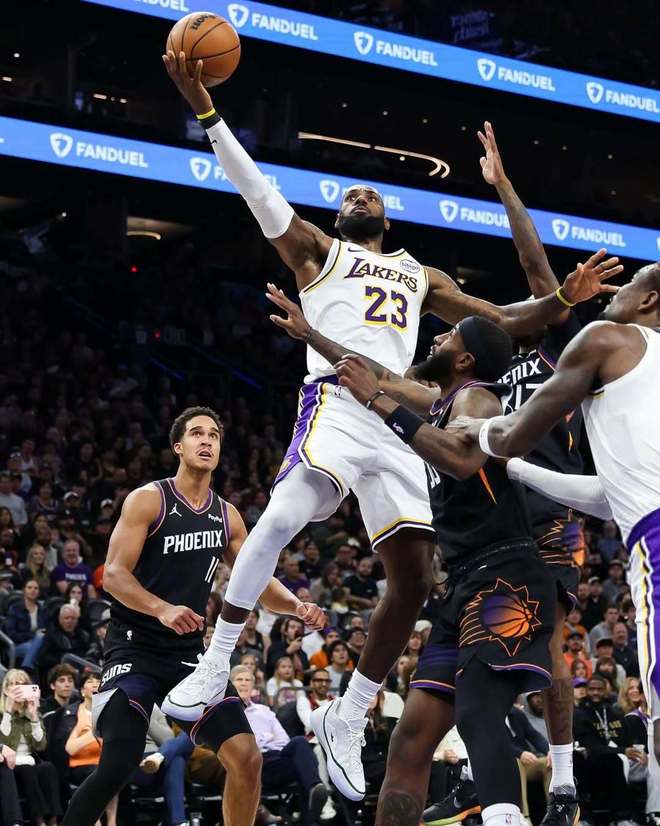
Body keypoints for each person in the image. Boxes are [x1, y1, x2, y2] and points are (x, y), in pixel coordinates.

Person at [162, 54, 620, 796]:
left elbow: (503, 321)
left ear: (387, 217)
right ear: (341, 216)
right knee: (280, 516)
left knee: (415, 578)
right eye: (350, 193)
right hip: (339, 404)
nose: (361, 193)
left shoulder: (420, 275)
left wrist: (561, 298)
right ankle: (217, 662)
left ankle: (349, 715)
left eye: (370, 191)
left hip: (399, 417)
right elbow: (256, 190)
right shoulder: (317, 251)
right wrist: (207, 114)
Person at [309, 315, 557, 826]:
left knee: (477, 710)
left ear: (464, 359)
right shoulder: (441, 402)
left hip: (506, 575)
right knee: (411, 738)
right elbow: (377, 374)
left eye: (449, 336)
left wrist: (378, 404)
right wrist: (309, 333)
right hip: (463, 584)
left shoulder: (478, 399)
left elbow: (461, 461)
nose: (437, 338)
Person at [60, 406, 325, 826]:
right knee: (121, 759)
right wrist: (161, 608)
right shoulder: (149, 500)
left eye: (214, 435)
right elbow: (113, 575)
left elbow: (257, 579)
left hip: (189, 658)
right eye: (197, 434)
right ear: (178, 447)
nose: (206, 441)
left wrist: (296, 605)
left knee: (247, 756)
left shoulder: (226, 515)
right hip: (134, 649)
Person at [456, 262, 660, 767]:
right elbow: (611, 496)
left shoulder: (606, 338)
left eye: (627, 285)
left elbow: (512, 434)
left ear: (649, 300)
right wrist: (521, 471)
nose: (612, 294)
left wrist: (476, 431)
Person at [479, 122, 585, 821]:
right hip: (497, 515)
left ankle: (566, 783)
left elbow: (533, 262)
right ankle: (486, 777)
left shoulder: (558, 347)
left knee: (548, 646)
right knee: (482, 649)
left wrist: (504, 186)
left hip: (552, 511)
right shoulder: (484, 371)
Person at [231, 665, 328, 826]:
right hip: (253, 766)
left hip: (276, 759)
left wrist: (260, 740)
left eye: (247, 680)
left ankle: (315, 789)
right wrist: (267, 737)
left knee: (300, 742)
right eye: (239, 680)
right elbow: (240, 745)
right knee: (303, 767)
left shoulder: (264, 711)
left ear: (253, 686)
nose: (244, 683)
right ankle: (309, 816)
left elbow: (283, 741)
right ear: (231, 685)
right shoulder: (227, 713)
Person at [572, 675, 639, 824]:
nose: (595, 693)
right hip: (592, 757)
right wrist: (622, 751)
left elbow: (627, 739)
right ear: (587, 690)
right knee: (614, 761)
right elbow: (591, 745)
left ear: (606, 691)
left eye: (599, 689)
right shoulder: (579, 714)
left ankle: (648, 813)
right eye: (592, 689)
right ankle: (620, 817)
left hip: (619, 754)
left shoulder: (615, 713)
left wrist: (633, 751)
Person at [0, 669, 62, 826]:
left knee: (48, 768)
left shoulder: (30, 713)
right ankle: (39, 821)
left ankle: (53, 821)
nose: (20, 688)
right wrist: (8, 712)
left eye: (24, 684)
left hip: (30, 761)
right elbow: (4, 742)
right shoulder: (2, 714)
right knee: (27, 769)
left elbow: (40, 746)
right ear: (6, 689)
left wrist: (33, 717)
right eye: (15, 684)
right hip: (8, 765)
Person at [65, 672, 118, 826]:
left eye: (98, 681)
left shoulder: (111, 712)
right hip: (81, 763)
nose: (95, 684)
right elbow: (70, 748)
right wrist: (91, 734)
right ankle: (94, 820)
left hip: (104, 761)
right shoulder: (74, 713)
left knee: (114, 771)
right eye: (90, 681)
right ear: (82, 690)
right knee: (100, 772)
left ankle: (112, 821)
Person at [4, 579, 47, 672]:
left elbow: (46, 630)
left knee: (40, 640)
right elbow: (12, 635)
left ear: (39, 592)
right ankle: (27, 669)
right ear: (24, 590)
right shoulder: (15, 609)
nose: (33, 590)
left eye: (36, 588)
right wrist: (33, 635)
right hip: (16, 646)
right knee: (35, 643)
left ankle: (26, 669)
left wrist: (37, 637)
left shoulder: (42, 609)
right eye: (29, 587)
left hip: (39, 644)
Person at [37, 604, 90, 674]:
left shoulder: (83, 636)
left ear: (77, 620)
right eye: (66, 618)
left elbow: (88, 654)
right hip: (59, 671)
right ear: (60, 620)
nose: (69, 621)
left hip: (81, 670)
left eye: (73, 618)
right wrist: (63, 661)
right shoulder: (51, 636)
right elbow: (42, 659)